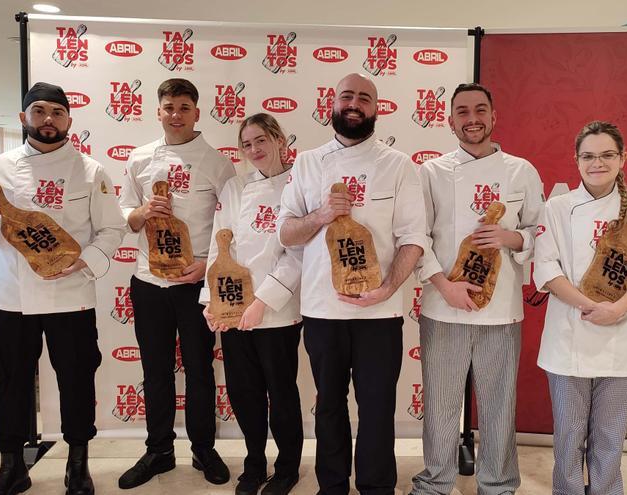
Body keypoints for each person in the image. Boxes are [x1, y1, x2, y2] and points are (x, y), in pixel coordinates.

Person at [0, 82, 127, 495]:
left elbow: (111, 229)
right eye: (39, 111)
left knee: (76, 380)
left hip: (71, 295)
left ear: (69, 120)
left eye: (56, 111)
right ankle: (12, 466)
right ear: (24, 118)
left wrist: (83, 261)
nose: (48, 119)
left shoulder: (92, 171)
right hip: (12, 297)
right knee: (12, 381)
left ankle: (78, 464)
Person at [277, 72, 428, 495]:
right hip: (323, 310)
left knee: (377, 406)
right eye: (347, 96)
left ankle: (377, 487)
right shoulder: (307, 162)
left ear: (377, 109)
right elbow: (286, 233)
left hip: (379, 312)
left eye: (365, 97)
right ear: (333, 104)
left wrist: (387, 289)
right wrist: (322, 215)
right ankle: (333, 486)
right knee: (328, 405)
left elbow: (414, 238)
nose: (354, 104)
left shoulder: (399, 166)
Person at [410, 83, 542, 495]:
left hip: (501, 309)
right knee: (441, 404)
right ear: (450, 121)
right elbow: (417, 237)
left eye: (480, 109)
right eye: (462, 112)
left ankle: (498, 484)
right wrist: (444, 287)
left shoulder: (522, 171)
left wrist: (510, 238)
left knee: (499, 404)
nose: (472, 119)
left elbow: (540, 231)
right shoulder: (430, 172)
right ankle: (435, 482)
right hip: (442, 305)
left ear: (493, 116)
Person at [118, 78, 236, 490]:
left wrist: (206, 264)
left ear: (197, 112)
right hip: (148, 281)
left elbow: (231, 223)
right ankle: (158, 450)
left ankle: (204, 447)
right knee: (155, 369)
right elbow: (124, 217)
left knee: (201, 369)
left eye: (184, 107)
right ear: (158, 111)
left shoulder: (217, 162)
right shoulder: (139, 158)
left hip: (195, 284)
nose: (176, 114)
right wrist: (143, 212)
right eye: (168, 106)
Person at [534, 121, 627, 495]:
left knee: (609, 436)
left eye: (607, 155)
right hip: (567, 339)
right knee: (569, 435)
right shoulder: (557, 207)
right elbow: (546, 268)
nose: (597, 163)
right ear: (576, 160)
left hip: (619, 342)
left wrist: (617, 309)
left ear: (622, 159)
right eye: (588, 156)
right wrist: (591, 306)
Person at [201, 113, 304, 495]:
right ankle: (254, 462)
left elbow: (297, 253)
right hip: (231, 309)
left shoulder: (299, 183)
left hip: (277, 311)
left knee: (281, 392)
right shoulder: (234, 187)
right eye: (246, 144)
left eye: (261, 140)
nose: (254, 150)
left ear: (279, 139)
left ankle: (288, 467)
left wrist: (263, 302)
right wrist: (211, 302)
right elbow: (218, 244)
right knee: (243, 392)